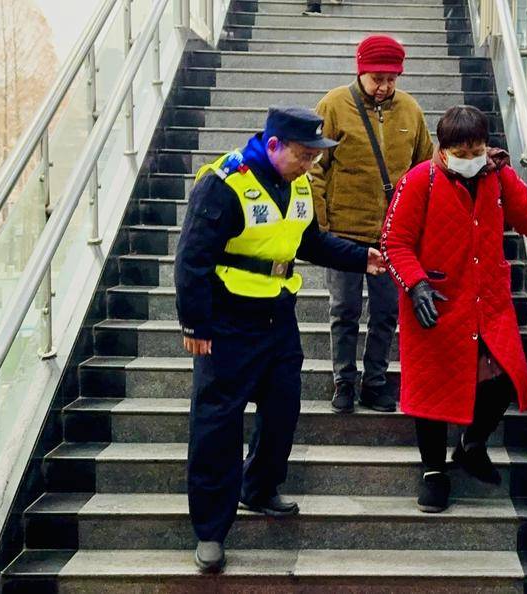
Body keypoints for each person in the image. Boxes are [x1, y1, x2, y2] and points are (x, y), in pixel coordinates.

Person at [175, 107, 386, 573]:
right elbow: (191, 257)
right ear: (274, 145)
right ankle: (210, 530)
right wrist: (195, 325)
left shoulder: (299, 184)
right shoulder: (224, 182)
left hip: (278, 315)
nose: (311, 164)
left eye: (316, 156)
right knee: (217, 425)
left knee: (283, 408)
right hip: (228, 319)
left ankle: (259, 488)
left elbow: (310, 242)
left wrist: (359, 258)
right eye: (304, 155)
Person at [381, 105, 527, 513]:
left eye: (476, 150)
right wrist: (416, 284)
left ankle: (471, 445)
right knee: (433, 390)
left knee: (505, 377)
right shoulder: (419, 180)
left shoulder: (498, 176)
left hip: (488, 301)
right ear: (443, 149)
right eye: (460, 152)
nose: (470, 158)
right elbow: (394, 242)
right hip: (436, 302)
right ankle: (433, 472)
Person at [311, 34, 434, 414]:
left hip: (393, 237)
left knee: (386, 312)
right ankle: (343, 381)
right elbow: (315, 170)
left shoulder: (410, 111)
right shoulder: (334, 105)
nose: (384, 86)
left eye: (391, 79)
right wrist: (321, 227)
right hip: (344, 234)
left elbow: (425, 169)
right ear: (360, 71)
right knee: (344, 310)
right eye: (377, 78)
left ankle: (375, 381)